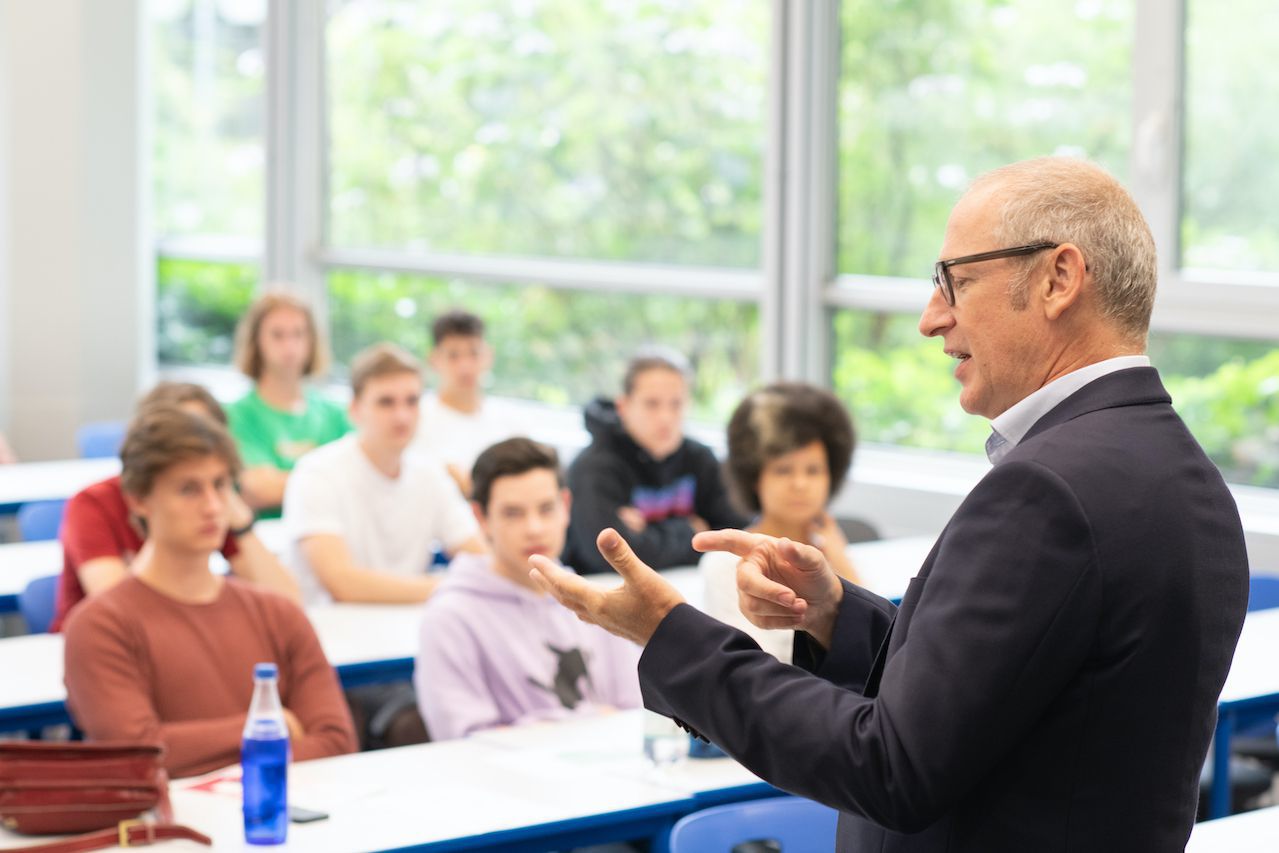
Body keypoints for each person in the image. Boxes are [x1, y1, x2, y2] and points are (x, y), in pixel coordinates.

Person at [530, 157, 1250, 852]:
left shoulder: (1046, 491)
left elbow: (892, 764)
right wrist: (835, 614)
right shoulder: (1181, 473)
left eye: (955, 281)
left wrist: (672, 637)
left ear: (1058, 278)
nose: (930, 318)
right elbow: (1008, 690)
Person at [62, 407, 357, 778]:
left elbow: (335, 742)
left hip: (281, 820)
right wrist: (271, 728)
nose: (213, 506)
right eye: (189, 489)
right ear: (138, 499)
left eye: (220, 485)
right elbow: (137, 754)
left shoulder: (278, 613)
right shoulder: (100, 626)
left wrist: (195, 750)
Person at [415, 438, 641, 741]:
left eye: (546, 509)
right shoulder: (450, 617)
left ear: (566, 507)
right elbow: (463, 738)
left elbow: (636, 713)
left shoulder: (596, 600)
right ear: (481, 518)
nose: (534, 528)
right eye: (513, 513)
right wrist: (586, 724)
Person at [51, 382, 299, 633]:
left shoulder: (210, 507)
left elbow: (287, 603)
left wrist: (241, 523)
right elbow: (121, 614)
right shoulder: (94, 503)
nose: (196, 447)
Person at [283, 342, 485, 606]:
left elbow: (481, 556)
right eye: (386, 402)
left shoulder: (430, 474)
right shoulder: (317, 473)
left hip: (407, 632)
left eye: (412, 401)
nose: (402, 416)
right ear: (355, 409)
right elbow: (342, 583)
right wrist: (453, 587)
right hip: (335, 638)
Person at [700, 382, 860, 663]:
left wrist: (842, 562)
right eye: (783, 470)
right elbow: (753, 668)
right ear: (754, 477)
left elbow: (881, 646)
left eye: (813, 470)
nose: (800, 484)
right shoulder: (727, 563)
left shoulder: (833, 549)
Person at [563, 347, 747, 574]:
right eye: (652, 404)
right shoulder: (593, 468)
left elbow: (738, 535)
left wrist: (647, 533)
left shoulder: (700, 459)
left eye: (676, 404)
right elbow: (607, 557)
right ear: (624, 407)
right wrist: (690, 530)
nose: (666, 417)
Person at [226, 291, 350, 518]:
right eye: (277, 335)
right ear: (256, 341)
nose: (289, 346)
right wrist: (333, 481)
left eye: (299, 334)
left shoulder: (338, 414)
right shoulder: (236, 415)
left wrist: (281, 481)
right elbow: (260, 488)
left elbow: (363, 478)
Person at [410, 309, 519, 497]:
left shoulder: (510, 423)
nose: (465, 366)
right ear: (434, 359)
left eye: (474, 353)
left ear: (488, 356)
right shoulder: (414, 420)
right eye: (453, 355)